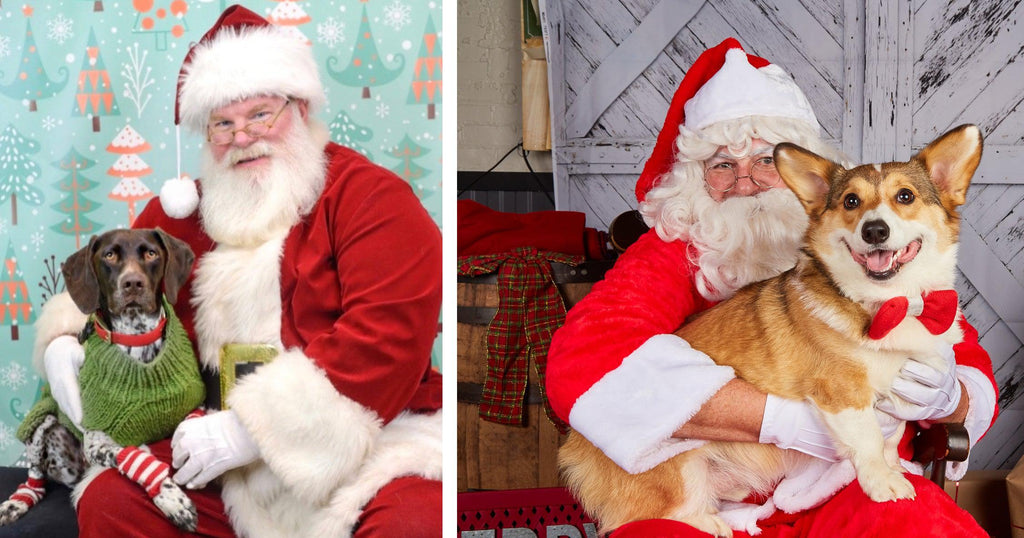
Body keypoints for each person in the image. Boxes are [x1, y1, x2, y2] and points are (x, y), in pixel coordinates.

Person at [545, 38, 999, 537]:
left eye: (765, 162)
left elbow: (968, 370)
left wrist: (949, 397)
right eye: (722, 166)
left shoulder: (879, 255)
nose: (746, 183)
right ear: (697, 179)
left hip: (841, 486)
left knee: (926, 529)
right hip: (702, 487)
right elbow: (585, 363)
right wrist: (782, 419)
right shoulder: (678, 248)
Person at [32, 5, 441, 537]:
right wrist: (67, 339)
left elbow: (386, 339)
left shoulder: (371, 197)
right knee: (114, 499)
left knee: (414, 521)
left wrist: (254, 429)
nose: (242, 137)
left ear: (298, 108)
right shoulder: (180, 217)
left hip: (370, 446)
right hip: (223, 469)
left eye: (260, 114)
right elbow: (114, 288)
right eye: (223, 124)